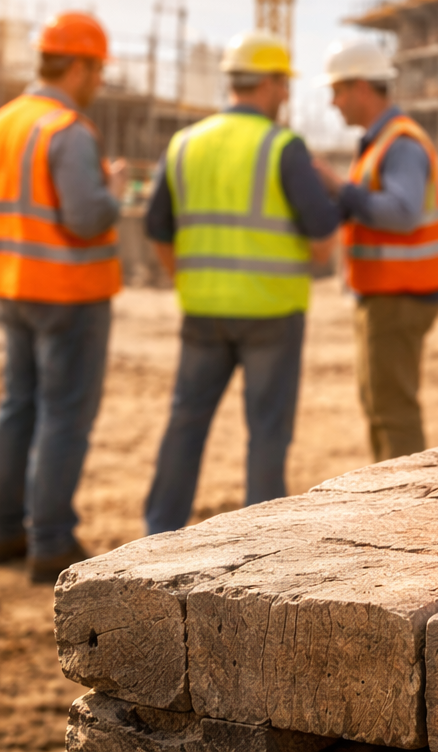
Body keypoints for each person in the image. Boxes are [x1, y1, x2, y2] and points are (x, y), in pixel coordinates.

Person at [142, 29, 339, 535]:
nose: (286, 94)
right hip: (272, 312)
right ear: (269, 83)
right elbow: (323, 239)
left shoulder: (185, 143)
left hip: (203, 308)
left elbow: (156, 228)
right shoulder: (283, 147)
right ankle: (261, 540)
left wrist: (186, 279)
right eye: (284, 84)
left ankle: (158, 530)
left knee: (186, 421)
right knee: (267, 432)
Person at [0, 11, 128, 584]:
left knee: (17, 406)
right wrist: (113, 191)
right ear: (78, 66)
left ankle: (3, 529)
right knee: (64, 414)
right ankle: (51, 539)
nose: (101, 81)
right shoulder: (67, 130)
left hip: (11, 286)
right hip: (68, 292)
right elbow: (86, 217)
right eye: (99, 69)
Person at [317, 41, 438, 462]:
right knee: (379, 405)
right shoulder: (381, 143)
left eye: (337, 91)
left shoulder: (400, 143)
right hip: (387, 295)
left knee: (393, 411)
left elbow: (402, 214)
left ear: (361, 87)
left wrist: (339, 188)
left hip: (400, 296)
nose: (333, 102)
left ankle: (405, 496)